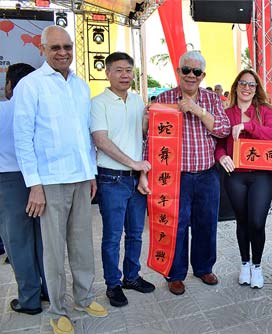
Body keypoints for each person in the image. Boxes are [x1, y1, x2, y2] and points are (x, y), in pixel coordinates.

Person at [13, 26, 108, 334]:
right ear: (43, 50)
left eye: (67, 46)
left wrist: (90, 173)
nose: (63, 52)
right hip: (50, 182)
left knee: (82, 245)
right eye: (55, 47)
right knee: (53, 250)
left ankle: (83, 297)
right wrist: (35, 185)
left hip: (81, 178)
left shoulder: (80, 86)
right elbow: (22, 139)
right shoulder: (31, 86)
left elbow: (84, 136)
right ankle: (57, 309)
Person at [155, 50, 231, 295]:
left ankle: (203, 268)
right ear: (178, 72)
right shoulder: (164, 99)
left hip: (207, 174)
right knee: (177, 225)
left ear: (203, 75)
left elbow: (222, 130)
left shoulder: (211, 99)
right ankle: (175, 274)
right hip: (176, 176)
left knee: (207, 223)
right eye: (186, 70)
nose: (190, 75)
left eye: (196, 72)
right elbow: (152, 140)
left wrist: (197, 109)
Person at [91, 52, 155, 308]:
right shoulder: (98, 103)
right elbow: (101, 140)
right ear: (107, 73)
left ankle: (131, 276)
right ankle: (113, 284)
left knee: (136, 233)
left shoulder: (138, 100)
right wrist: (134, 164)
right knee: (112, 235)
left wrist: (149, 120)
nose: (125, 75)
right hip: (111, 179)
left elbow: (139, 136)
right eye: (119, 70)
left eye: (129, 70)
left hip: (136, 180)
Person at [215, 69, 272, 289]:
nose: (246, 87)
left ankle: (257, 266)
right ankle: (245, 263)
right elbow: (220, 143)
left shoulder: (265, 111)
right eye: (242, 83)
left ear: (256, 88)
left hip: (261, 175)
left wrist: (247, 126)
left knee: (256, 222)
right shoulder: (227, 112)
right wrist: (222, 156)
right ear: (235, 86)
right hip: (235, 177)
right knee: (241, 221)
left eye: (251, 84)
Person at [0, 63, 49, 316]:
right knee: (43, 240)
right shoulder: (41, 109)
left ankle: (29, 300)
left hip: (8, 182)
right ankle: (49, 290)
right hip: (42, 180)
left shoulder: (3, 109)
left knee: (18, 242)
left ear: (9, 85)